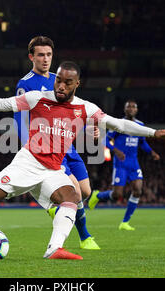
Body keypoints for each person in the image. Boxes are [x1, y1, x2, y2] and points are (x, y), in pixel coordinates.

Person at [0, 61, 165, 259]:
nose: (61, 86)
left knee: (73, 198)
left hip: (53, 169)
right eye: (59, 81)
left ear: (77, 84)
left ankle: (54, 248)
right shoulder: (38, 98)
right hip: (28, 162)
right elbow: (1, 104)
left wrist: (153, 133)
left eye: (67, 82)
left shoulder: (85, 108)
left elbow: (119, 124)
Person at [15, 36, 100, 250]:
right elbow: (21, 120)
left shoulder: (59, 79)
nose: (46, 59)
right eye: (41, 55)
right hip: (46, 149)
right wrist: (31, 149)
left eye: (49, 55)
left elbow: (72, 113)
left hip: (67, 146)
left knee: (87, 190)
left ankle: (56, 209)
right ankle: (85, 237)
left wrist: (88, 128)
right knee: (76, 192)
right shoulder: (25, 84)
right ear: (31, 57)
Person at [88, 100, 160, 231]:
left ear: (137, 110)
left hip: (134, 163)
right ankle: (98, 195)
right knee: (117, 195)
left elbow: (142, 142)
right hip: (120, 164)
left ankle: (125, 222)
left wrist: (152, 152)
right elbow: (105, 139)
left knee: (138, 190)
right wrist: (115, 150)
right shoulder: (118, 124)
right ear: (125, 110)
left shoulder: (140, 125)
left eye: (134, 107)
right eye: (129, 107)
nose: (131, 109)